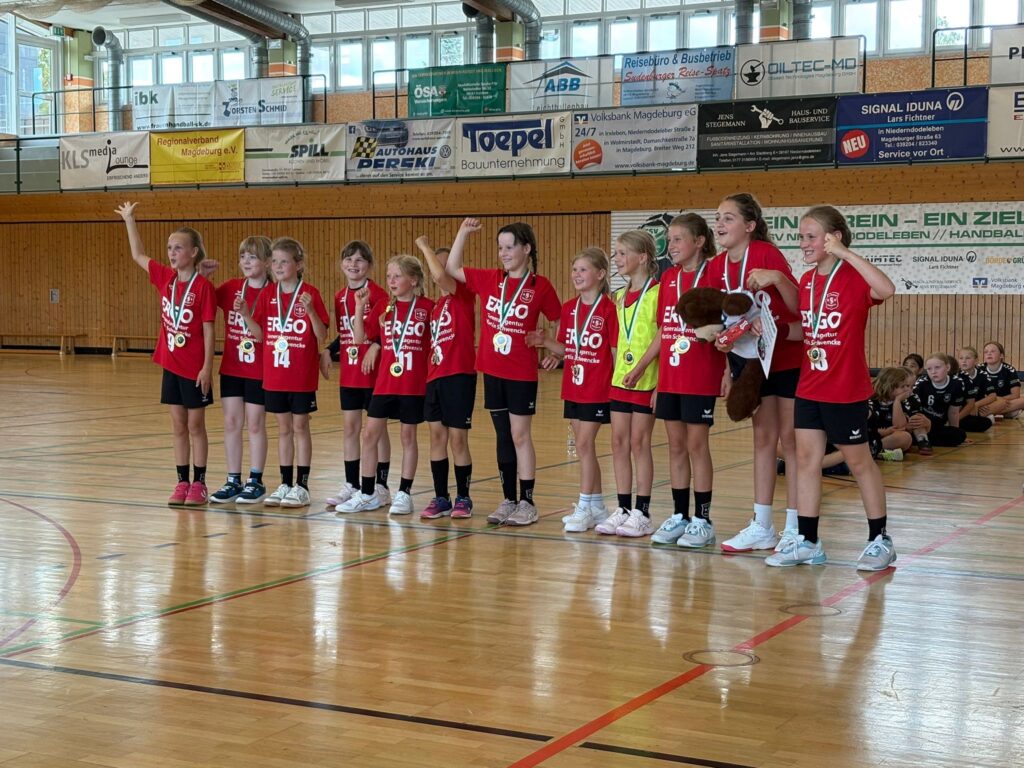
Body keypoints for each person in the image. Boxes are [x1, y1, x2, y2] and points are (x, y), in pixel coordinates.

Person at [765, 205, 897, 570]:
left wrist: (844, 253)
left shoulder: (854, 276)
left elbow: (887, 289)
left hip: (845, 388)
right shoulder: (807, 280)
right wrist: (773, 330)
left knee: (859, 462)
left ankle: (880, 540)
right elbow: (809, 330)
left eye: (811, 237)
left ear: (833, 237)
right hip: (810, 386)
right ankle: (808, 541)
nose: (803, 243)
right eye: (801, 237)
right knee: (807, 462)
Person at [445, 219, 561, 527]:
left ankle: (527, 502)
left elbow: (558, 318)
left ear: (527, 249)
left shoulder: (541, 286)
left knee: (520, 435)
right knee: (503, 436)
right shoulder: (490, 279)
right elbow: (452, 268)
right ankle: (509, 499)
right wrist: (463, 232)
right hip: (492, 370)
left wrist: (554, 350)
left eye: (510, 247)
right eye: (500, 248)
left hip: (521, 373)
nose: (504, 253)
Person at [708, 193, 804, 554]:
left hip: (787, 356)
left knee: (790, 441)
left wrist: (776, 278)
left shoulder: (766, 254)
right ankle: (762, 524)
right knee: (763, 439)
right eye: (718, 217)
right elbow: (721, 323)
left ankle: (795, 527)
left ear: (749, 225)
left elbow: (797, 305)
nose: (720, 224)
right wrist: (725, 362)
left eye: (728, 218)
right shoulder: (717, 267)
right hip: (750, 363)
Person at [116, 201, 216, 506]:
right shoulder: (165, 278)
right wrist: (129, 220)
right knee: (178, 425)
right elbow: (137, 254)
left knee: (196, 426)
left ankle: (199, 483)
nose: (172, 253)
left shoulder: (203, 287)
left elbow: (209, 330)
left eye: (178, 248)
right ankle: (182, 481)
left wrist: (207, 368)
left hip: (194, 368)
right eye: (170, 248)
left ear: (194, 252)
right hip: (171, 365)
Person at [645, 214, 725, 548]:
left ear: (699, 241)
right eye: (669, 240)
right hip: (672, 376)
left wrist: (729, 372)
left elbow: (730, 324)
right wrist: (653, 376)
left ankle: (703, 519)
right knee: (675, 446)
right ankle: (680, 515)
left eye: (678, 239)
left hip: (701, 375)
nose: (671, 245)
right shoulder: (668, 278)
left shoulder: (715, 274)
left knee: (696, 445)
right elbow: (665, 329)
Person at [528, 247, 616, 533]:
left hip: (597, 387)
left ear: (600, 274)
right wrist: (545, 344)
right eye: (574, 269)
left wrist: (617, 388)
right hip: (573, 386)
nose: (576, 274)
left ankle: (584, 506)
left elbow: (614, 352)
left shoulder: (609, 310)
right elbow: (568, 349)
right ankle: (597, 506)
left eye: (583, 269)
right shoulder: (569, 308)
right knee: (584, 447)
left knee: (584, 445)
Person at [337, 255, 434, 515]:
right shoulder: (384, 307)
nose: (391, 280)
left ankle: (404, 493)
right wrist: (359, 307)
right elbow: (359, 339)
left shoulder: (428, 308)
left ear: (413, 280)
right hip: (385, 383)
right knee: (370, 435)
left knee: (407, 436)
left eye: (397, 276)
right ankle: (368, 493)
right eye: (389, 276)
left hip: (413, 383)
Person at [236, 238, 329, 508]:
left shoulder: (310, 293)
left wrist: (310, 310)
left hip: (301, 376)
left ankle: (303, 486)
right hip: (275, 376)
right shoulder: (268, 294)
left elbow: (321, 335)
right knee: (283, 428)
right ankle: (285, 483)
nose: (277, 266)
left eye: (284, 261)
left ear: (298, 265)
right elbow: (260, 336)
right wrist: (246, 315)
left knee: (300, 427)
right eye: (274, 261)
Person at [593, 230, 660, 538]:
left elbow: (664, 337)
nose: (617, 259)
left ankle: (642, 512)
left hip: (647, 380)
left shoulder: (658, 293)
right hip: (621, 379)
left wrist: (654, 378)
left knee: (639, 443)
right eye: (616, 253)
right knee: (618, 443)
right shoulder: (618, 297)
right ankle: (622, 508)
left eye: (622, 253)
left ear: (642, 257)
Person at [324, 241, 392, 510]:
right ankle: (352, 484)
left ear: (370, 266)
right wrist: (329, 350)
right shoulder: (340, 296)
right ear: (341, 263)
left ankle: (381, 485)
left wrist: (376, 346)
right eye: (349, 259)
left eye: (360, 260)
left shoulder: (379, 295)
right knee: (350, 428)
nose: (353, 264)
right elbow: (346, 332)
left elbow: (388, 331)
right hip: (350, 372)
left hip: (374, 374)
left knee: (377, 431)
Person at [415, 238, 477, 520]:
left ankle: (464, 497)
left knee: (458, 439)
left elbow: (442, 276)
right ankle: (441, 497)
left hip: (459, 376)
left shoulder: (463, 294)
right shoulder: (436, 306)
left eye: (446, 265)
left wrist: (424, 246)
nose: (439, 271)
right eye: (436, 266)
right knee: (436, 437)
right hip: (435, 376)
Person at [209, 236, 271, 504]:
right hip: (232, 367)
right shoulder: (232, 287)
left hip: (259, 370)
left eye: (253, 256)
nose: (246, 261)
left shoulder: (273, 293)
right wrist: (202, 275)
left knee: (255, 424)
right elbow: (202, 301)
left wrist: (246, 314)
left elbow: (263, 336)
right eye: (243, 256)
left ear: (267, 262)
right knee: (232, 423)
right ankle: (233, 479)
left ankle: (255, 480)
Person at [907, 354, 967, 453]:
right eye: (929, 369)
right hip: (921, 423)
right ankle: (920, 439)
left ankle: (917, 440)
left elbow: (953, 412)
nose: (933, 372)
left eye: (937, 367)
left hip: (936, 426)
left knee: (960, 435)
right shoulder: (921, 383)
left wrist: (954, 430)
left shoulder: (957, 383)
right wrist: (924, 423)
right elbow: (914, 410)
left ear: (948, 367)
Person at [867, 367, 915, 460]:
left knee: (906, 437)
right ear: (890, 386)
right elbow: (863, 425)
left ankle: (875, 451)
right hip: (872, 434)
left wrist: (897, 402)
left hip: (888, 438)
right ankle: (875, 451)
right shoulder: (871, 400)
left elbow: (900, 427)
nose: (907, 389)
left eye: (908, 386)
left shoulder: (904, 401)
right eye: (903, 386)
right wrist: (882, 432)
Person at [976, 341, 1023, 419]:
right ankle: (1003, 412)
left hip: (1004, 400)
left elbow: (1015, 395)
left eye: (992, 351)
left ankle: (992, 412)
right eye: (986, 352)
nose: (989, 353)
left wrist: (997, 400)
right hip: (985, 402)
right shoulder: (978, 369)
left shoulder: (1009, 370)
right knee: (1003, 404)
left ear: (1001, 355)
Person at [955, 346, 994, 432]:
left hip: (976, 407)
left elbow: (992, 395)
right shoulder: (956, 375)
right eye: (961, 358)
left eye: (968, 358)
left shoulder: (982, 374)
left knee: (988, 421)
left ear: (976, 361)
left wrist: (976, 404)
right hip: (960, 408)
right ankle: (954, 422)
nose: (964, 361)